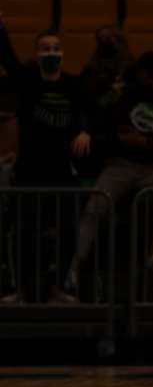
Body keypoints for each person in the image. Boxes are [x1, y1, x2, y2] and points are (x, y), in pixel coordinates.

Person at [70, 51, 153, 288]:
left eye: (146, 75)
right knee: (95, 205)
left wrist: (145, 143)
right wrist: (90, 131)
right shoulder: (132, 94)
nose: (141, 79)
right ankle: (72, 265)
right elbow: (104, 114)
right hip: (120, 165)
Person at [0, 19, 89, 303]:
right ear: (37, 54)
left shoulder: (73, 85)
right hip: (29, 172)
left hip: (62, 172)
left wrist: (85, 130)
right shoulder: (27, 84)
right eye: (45, 48)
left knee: (67, 232)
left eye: (55, 48)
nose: (51, 52)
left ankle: (58, 288)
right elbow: (9, 61)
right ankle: (22, 291)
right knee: (24, 234)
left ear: (63, 53)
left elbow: (88, 112)